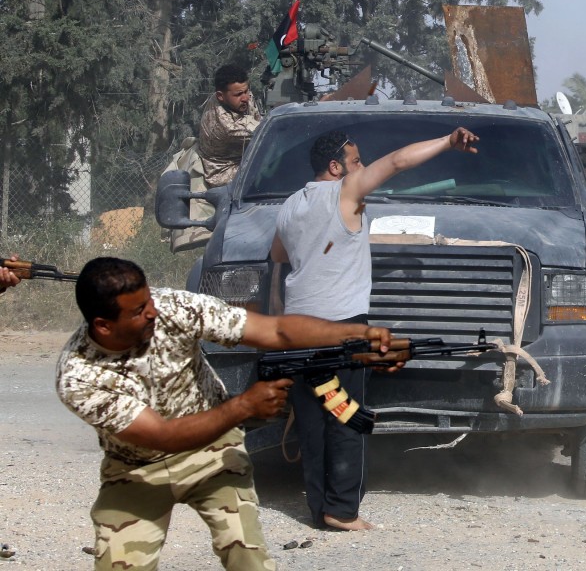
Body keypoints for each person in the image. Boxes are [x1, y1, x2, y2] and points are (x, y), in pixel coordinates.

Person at [55, 256, 393, 571]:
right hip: (137, 470)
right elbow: (163, 436)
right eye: (139, 310)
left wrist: (356, 335)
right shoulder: (79, 376)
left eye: (150, 300)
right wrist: (244, 406)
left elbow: (276, 331)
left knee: (247, 555)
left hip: (214, 452)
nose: (153, 312)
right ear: (103, 325)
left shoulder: (175, 308)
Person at [270, 126, 480, 531]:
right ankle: (343, 511)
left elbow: (278, 255)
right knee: (345, 415)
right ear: (336, 167)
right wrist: (447, 142)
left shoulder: (290, 205)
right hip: (341, 330)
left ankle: (320, 509)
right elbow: (399, 161)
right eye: (355, 161)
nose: (362, 168)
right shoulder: (343, 194)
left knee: (312, 421)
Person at [198, 64, 263, 189]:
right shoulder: (226, 126)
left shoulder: (235, 98)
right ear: (220, 96)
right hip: (225, 173)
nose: (246, 98)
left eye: (246, 91)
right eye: (239, 94)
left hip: (244, 157)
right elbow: (266, 133)